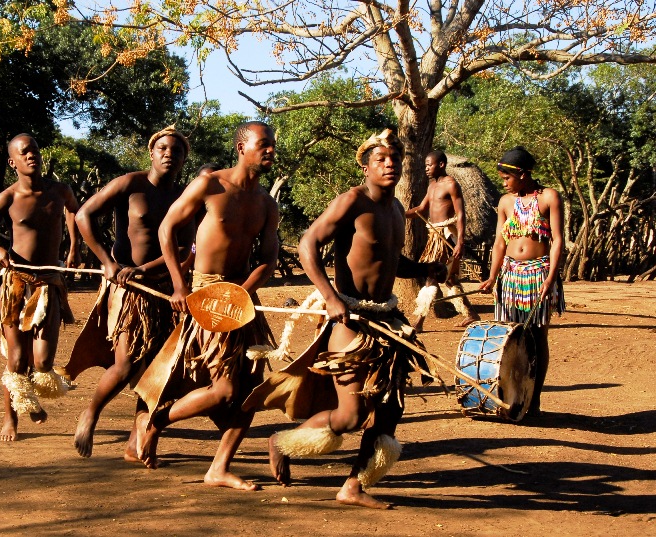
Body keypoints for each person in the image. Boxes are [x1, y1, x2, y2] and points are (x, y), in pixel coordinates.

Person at [244, 129, 446, 509]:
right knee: (352, 414)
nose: (390, 165)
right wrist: (330, 297)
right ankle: (282, 443)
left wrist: (424, 267)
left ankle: (353, 486)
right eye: (381, 159)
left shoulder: (397, 210)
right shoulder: (352, 201)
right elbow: (307, 244)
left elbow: (390, 260)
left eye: (395, 159)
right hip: (349, 318)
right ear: (366, 166)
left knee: (390, 408)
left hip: (387, 318)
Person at [136, 121, 280, 490]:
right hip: (205, 292)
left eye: (272, 145)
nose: (270, 151)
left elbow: (267, 259)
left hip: (241, 298)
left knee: (249, 391)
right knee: (225, 390)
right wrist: (180, 286)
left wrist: (242, 293)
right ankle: (156, 419)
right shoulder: (210, 185)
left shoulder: (266, 203)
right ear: (240, 147)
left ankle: (218, 468)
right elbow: (167, 229)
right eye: (262, 144)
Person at [68, 125, 194, 459]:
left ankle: (133, 442)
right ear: (151, 153)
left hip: (164, 290)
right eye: (163, 149)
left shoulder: (185, 196)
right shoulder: (131, 184)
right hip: (127, 288)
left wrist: (148, 269)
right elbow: (83, 215)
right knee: (124, 364)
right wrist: (107, 261)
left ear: (184, 160)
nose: (169, 155)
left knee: (154, 369)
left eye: (177, 151)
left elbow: (183, 250)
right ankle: (91, 413)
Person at [0, 133, 81, 442]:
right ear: (13, 162)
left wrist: (73, 245)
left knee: (43, 361)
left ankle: (28, 396)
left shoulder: (60, 191)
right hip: (16, 285)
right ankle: (11, 418)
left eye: (34, 149)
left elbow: (75, 211)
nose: (30, 155)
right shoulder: (7, 198)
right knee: (17, 360)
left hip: (49, 284)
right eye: (23, 152)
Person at [478, 146, 565, 417]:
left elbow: (558, 240)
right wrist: (492, 276)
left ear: (523, 174)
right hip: (510, 275)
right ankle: (509, 397)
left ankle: (534, 400)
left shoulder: (549, 197)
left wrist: (550, 278)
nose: (504, 183)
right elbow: (499, 242)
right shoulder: (505, 202)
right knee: (509, 336)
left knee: (537, 336)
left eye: (507, 178)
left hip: (538, 273)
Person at [405, 150, 479, 331]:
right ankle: (471, 314)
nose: (427, 169)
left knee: (432, 276)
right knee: (449, 279)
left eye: (429, 165)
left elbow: (461, 214)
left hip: (446, 236)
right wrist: (401, 213)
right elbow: (422, 209)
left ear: (441, 165)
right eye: (425, 166)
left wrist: (460, 242)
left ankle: (420, 321)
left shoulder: (451, 184)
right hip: (434, 235)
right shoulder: (431, 187)